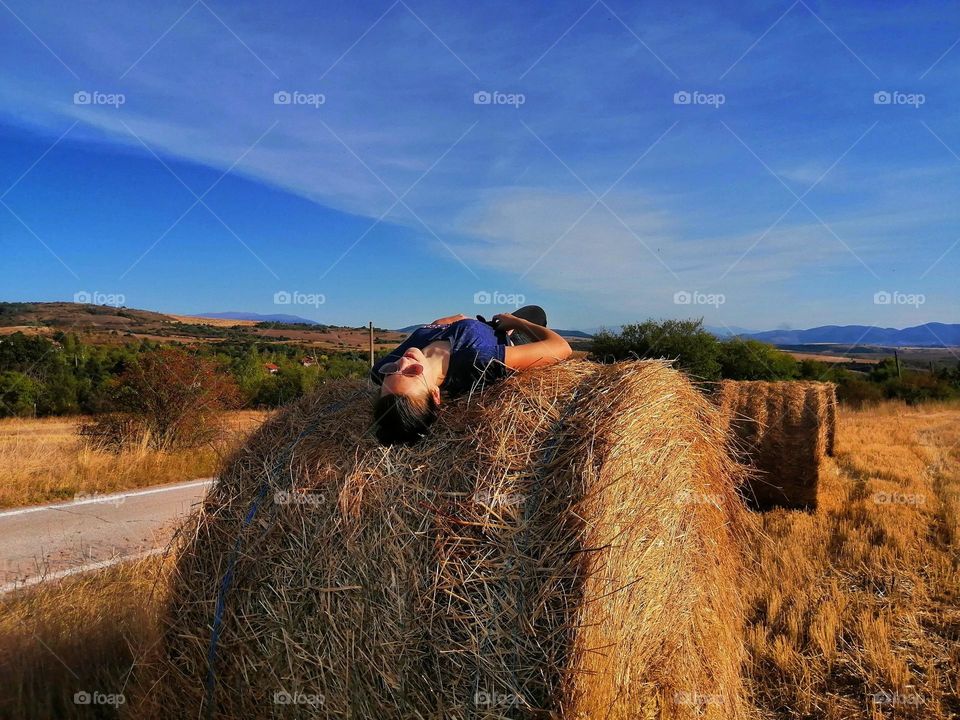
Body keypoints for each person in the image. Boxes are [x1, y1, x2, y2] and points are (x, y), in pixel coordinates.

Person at [370, 307, 572, 445]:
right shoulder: (476, 359)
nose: (403, 362)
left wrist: (444, 322)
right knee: (536, 311)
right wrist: (517, 322)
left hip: (470, 322)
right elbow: (561, 348)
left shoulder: (381, 368)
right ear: (435, 394)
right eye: (412, 372)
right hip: (508, 334)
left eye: (393, 370)